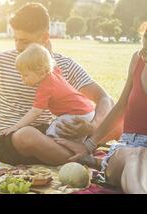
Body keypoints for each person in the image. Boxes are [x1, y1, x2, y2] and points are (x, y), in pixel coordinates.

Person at [0, 3, 115, 166]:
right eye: (16, 39)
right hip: (12, 140)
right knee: (26, 134)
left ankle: (74, 155)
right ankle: (86, 162)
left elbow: (104, 98)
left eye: (25, 41)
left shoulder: (64, 64)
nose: (18, 46)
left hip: (50, 138)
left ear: (45, 37)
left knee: (117, 119)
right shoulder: (0, 61)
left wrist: (93, 127)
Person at [56, 23, 147, 194]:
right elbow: (121, 106)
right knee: (136, 154)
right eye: (145, 39)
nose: (144, 51)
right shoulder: (137, 60)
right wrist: (89, 145)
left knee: (140, 158)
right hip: (127, 147)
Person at [2, 44, 95, 145]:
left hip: (76, 114)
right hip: (87, 109)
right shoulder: (53, 72)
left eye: (25, 75)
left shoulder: (45, 87)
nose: (22, 78)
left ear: (41, 73)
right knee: (70, 135)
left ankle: (62, 152)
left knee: (51, 133)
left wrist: (16, 126)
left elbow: (35, 112)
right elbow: (49, 63)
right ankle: (78, 144)